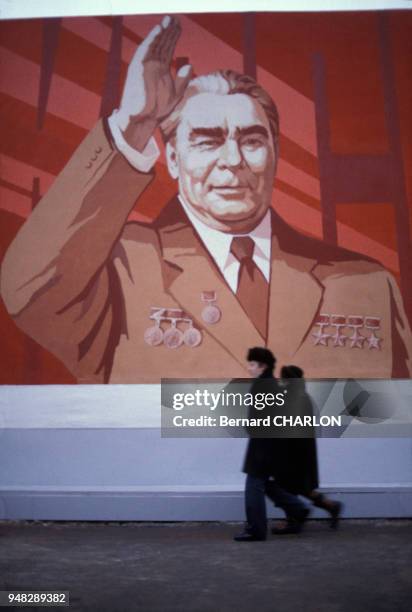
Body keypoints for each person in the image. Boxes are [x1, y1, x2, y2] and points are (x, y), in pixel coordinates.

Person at [1, 16, 411, 383]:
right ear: (174, 161)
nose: (233, 161)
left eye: (251, 140)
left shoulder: (366, 284)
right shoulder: (117, 267)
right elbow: (29, 287)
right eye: (208, 141)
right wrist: (134, 124)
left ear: (275, 154)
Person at [234, 348, 309, 542]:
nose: (249, 368)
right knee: (264, 484)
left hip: (262, 444)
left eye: (252, 364)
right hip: (270, 443)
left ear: (262, 366)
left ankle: (256, 529)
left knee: (253, 485)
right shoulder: (271, 384)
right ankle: (298, 509)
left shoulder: (262, 386)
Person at [269, 364, 342, 533]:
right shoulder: (303, 396)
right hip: (302, 450)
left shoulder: (291, 397)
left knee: (286, 486)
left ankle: (292, 521)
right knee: (300, 487)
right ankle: (330, 506)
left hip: (292, 451)